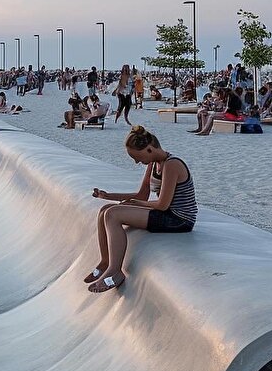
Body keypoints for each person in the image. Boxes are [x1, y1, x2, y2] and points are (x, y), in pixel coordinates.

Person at [85, 125, 198, 293]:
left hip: (179, 220)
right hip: (165, 213)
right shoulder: (154, 164)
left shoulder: (172, 164)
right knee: (105, 210)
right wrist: (107, 196)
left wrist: (135, 204)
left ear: (150, 149)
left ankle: (115, 271)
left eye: (137, 157)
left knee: (113, 214)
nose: (137, 162)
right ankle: (105, 262)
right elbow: (142, 195)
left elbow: (162, 204)